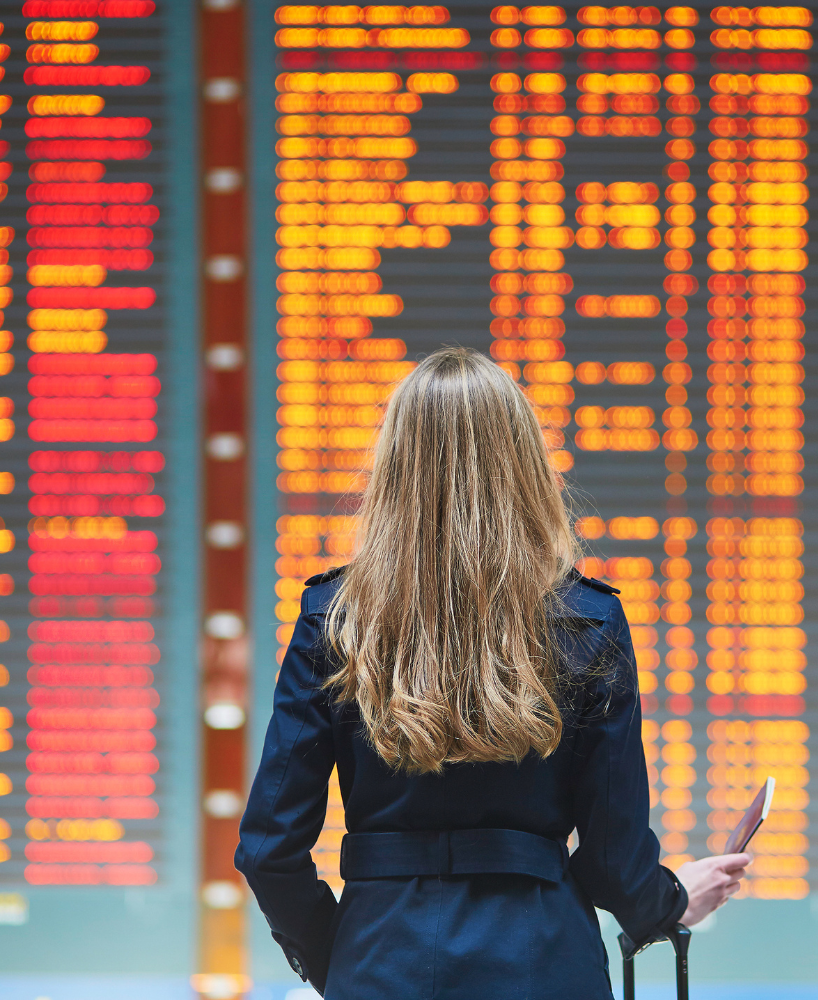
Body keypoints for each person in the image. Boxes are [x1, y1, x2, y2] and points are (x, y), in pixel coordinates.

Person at [236, 346, 750, 999]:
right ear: (524, 465)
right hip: (543, 964)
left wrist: (337, 955)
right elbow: (613, 858)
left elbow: (268, 851)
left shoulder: (333, 620)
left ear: (393, 469)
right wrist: (672, 898)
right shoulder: (588, 619)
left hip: (377, 961)